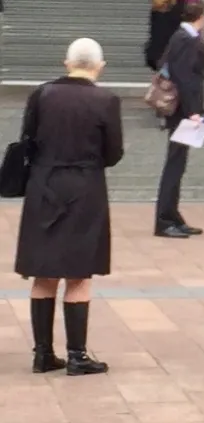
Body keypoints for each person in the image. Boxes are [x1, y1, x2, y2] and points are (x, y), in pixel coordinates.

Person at [14, 37, 124, 375]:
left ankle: (43, 354)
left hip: (43, 184)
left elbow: (27, 139)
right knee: (79, 273)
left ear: (67, 62)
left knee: (44, 272)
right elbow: (113, 152)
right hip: (85, 186)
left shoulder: (42, 95)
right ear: (99, 66)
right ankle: (77, 356)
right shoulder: (106, 100)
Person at [155, 0, 204, 240]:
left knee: (178, 162)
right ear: (201, 17)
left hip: (180, 108)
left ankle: (173, 215)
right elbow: (186, 77)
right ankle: (165, 220)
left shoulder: (179, 36)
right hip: (182, 110)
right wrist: (193, 110)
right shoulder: (188, 40)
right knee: (175, 164)